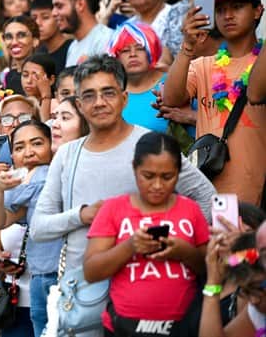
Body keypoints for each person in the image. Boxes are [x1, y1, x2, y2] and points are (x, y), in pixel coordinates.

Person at [30, 55, 216, 336]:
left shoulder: (150, 147)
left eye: (108, 93)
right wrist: (82, 215)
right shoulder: (68, 154)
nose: (99, 102)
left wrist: (176, 241)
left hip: (148, 299)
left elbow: (206, 197)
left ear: (125, 98)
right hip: (85, 297)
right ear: (79, 105)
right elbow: (38, 228)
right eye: (89, 96)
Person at [84, 132, 209, 336]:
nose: (158, 185)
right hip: (125, 328)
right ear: (135, 168)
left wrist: (185, 252)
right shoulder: (113, 209)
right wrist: (129, 247)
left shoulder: (191, 210)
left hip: (182, 326)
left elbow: (209, 268)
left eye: (168, 177)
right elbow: (91, 272)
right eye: (148, 176)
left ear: (178, 172)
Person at [163, 0, 265, 205]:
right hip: (208, 194)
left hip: (256, 195)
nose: (227, 15)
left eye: (237, 7)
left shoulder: (263, 61)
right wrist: (188, 45)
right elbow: (170, 98)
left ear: (258, 11)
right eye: (220, 9)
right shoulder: (203, 65)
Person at [0, 119, 85, 336]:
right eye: (19, 147)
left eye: (37, 143)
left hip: (68, 276)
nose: (28, 152)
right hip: (39, 278)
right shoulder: (23, 182)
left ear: (52, 145)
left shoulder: (55, 172)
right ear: (12, 156)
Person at [199, 230, 266, 336]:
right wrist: (212, 284)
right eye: (246, 292)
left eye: (258, 289)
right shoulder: (258, 313)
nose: (253, 301)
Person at [107, 22, 169, 132]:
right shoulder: (109, 91)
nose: (132, 54)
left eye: (140, 48)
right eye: (125, 50)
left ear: (152, 50)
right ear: (117, 57)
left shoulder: (172, 83)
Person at [51, 0, 113, 68]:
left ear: (80, 4)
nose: (54, 13)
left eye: (59, 6)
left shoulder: (106, 40)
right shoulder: (72, 47)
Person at [31, 0, 73, 75]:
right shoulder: (39, 53)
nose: (38, 23)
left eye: (45, 17)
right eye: (34, 18)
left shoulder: (71, 49)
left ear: (58, 16)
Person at [2, 15, 40, 95]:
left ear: (35, 40)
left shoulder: (41, 75)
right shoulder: (9, 76)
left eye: (21, 35)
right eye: (9, 37)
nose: (14, 42)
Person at [20, 53, 56, 122]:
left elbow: (44, 127)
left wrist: (46, 96)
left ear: (51, 80)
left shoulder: (56, 105)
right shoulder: (19, 104)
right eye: (25, 75)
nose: (29, 81)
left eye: (36, 76)